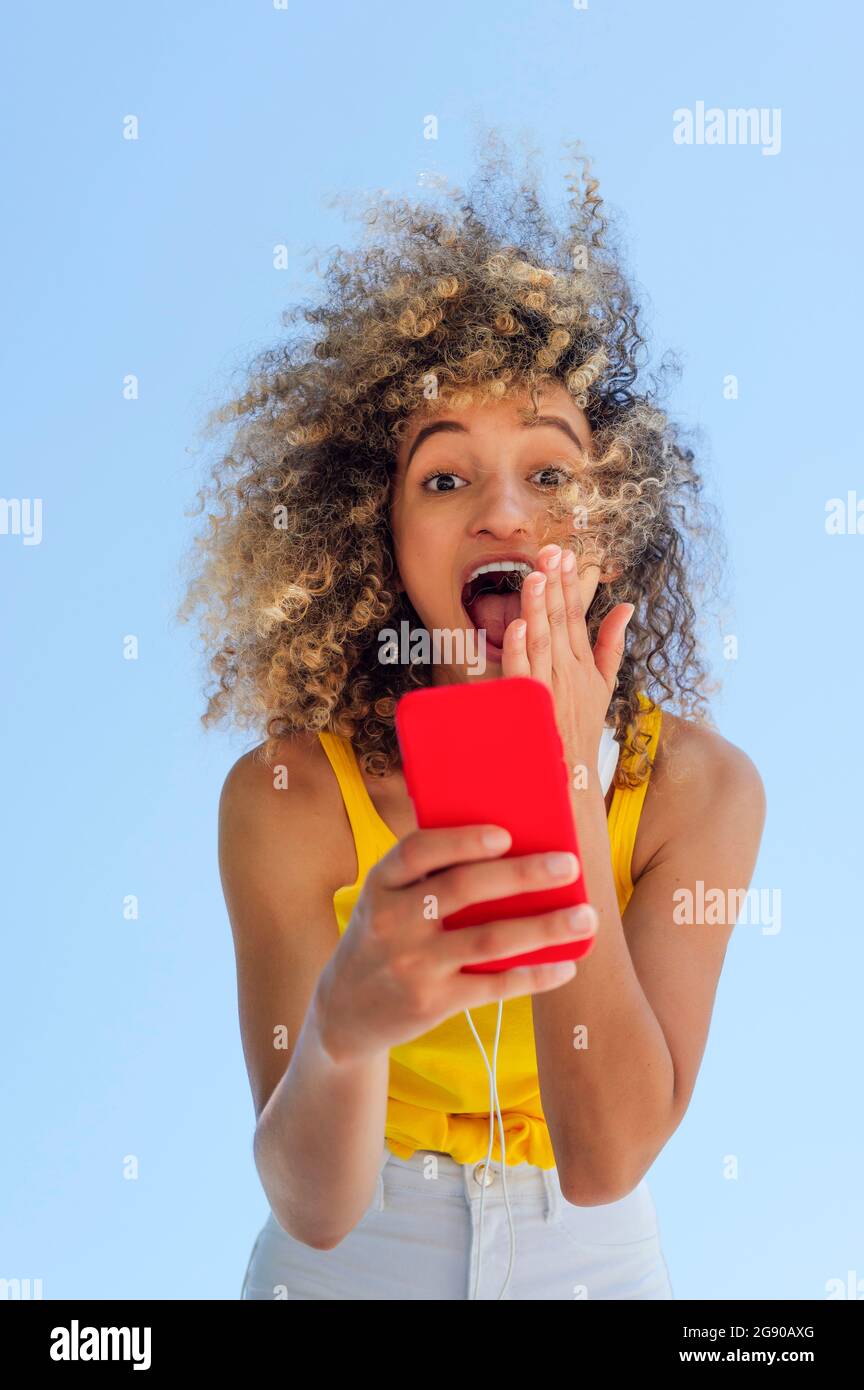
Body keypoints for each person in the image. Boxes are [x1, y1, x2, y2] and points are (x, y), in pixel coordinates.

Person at [178, 135, 766, 1299]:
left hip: (589, 1250)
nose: (505, 512)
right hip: (355, 1246)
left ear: (615, 518)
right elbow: (313, 1206)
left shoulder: (700, 790)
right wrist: (343, 1027)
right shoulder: (286, 796)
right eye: (445, 479)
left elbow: (605, 1160)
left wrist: (563, 800)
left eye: (552, 474)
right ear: (377, 539)